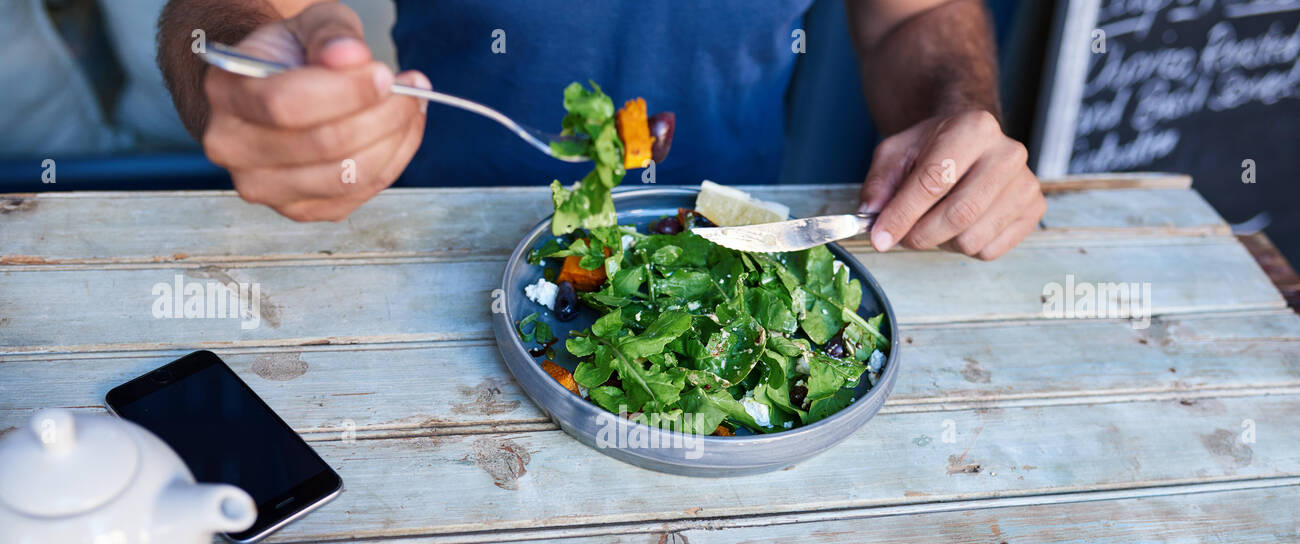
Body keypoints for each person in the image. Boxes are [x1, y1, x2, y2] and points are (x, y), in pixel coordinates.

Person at [157, 0, 1045, 260]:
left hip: (730, 253)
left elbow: (910, 16)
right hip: (431, 259)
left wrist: (951, 117)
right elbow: (239, 12)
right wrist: (243, 68)